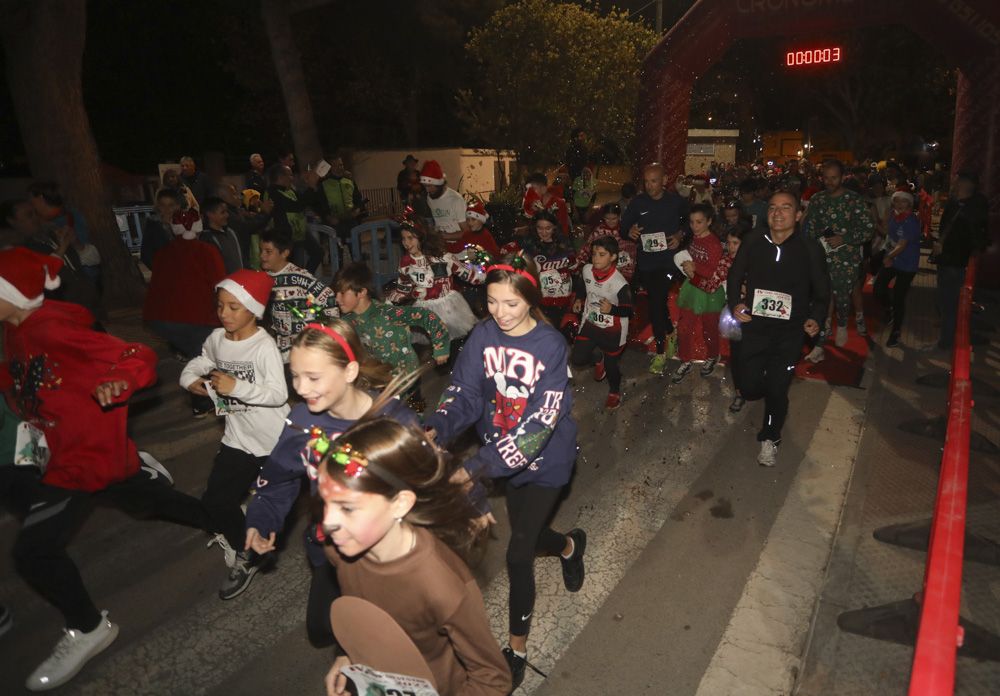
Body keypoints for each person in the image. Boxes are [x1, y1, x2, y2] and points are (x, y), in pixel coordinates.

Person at [0, 248, 208, 691]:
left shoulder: (52, 328)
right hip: (60, 448)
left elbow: (139, 355)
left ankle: (90, 628)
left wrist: (123, 380)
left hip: (81, 459)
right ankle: (210, 511)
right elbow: (20, 376)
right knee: (148, 502)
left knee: (33, 553)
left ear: (14, 295)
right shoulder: (12, 330)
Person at [425, 253, 586, 691]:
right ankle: (571, 546)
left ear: (531, 301)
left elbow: (539, 425)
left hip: (547, 460)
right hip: (501, 454)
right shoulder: (483, 335)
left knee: (518, 554)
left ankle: (516, 649)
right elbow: (464, 394)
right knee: (531, 538)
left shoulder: (550, 346)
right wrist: (435, 429)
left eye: (511, 304)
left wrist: (476, 469)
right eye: (492, 301)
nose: (499, 313)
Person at [244, 321, 418, 648]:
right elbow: (278, 476)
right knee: (322, 630)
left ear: (349, 371)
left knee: (374, 638)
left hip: (385, 551)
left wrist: (471, 505)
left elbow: (430, 474)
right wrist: (262, 518)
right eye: (295, 375)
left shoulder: (392, 418)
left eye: (313, 377)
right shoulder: (301, 422)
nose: (301, 388)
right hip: (331, 546)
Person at [318, 416, 511, 696]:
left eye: (347, 508)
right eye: (326, 503)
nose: (327, 522)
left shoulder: (442, 586)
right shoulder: (339, 550)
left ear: (400, 503)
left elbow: (492, 678)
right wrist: (349, 655)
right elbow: (369, 616)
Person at [180, 270, 289, 599]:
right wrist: (189, 380)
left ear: (254, 310)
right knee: (215, 501)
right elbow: (202, 360)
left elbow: (278, 394)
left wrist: (236, 387)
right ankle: (248, 553)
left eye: (233, 307)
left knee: (293, 504)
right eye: (220, 306)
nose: (224, 314)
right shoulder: (216, 339)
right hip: (238, 438)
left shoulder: (263, 346)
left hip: (274, 443)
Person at [727, 192, 830, 467]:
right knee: (748, 387)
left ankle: (770, 436)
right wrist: (736, 303)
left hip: (789, 332)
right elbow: (735, 274)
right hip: (754, 326)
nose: (778, 213)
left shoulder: (810, 248)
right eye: (772, 207)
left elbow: (822, 291)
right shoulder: (753, 240)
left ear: (798, 215)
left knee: (777, 386)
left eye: (786, 208)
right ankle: (767, 392)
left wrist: (816, 318)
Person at [142, 207, 225, 415]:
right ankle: (206, 403)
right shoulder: (207, 251)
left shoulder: (163, 253)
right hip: (198, 319)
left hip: (164, 320)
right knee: (208, 358)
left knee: (197, 355)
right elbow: (219, 284)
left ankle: (204, 401)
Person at [621, 162, 690, 375]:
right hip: (647, 262)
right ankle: (670, 331)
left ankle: (660, 352)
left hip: (668, 262)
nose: (650, 186)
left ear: (665, 180)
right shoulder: (638, 202)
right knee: (657, 301)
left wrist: (680, 235)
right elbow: (624, 227)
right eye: (647, 181)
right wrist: (629, 231)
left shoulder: (676, 202)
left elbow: (690, 225)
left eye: (654, 181)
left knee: (656, 303)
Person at [801, 159, 874, 359]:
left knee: (842, 297)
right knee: (821, 299)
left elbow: (868, 229)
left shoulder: (853, 200)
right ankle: (820, 342)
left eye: (834, 178)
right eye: (826, 178)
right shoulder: (817, 199)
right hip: (821, 256)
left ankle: (842, 324)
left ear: (842, 177)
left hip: (846, 258)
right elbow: (810, 227)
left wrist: (845, 238)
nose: (829, 182)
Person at [334, 261, 450, 375]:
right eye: (336, 293)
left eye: (342, 293)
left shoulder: (388, 313)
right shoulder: (346, 322)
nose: (337, 299)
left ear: (361, 293)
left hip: (405, 380)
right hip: (378, 380)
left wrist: (441, 347)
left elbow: (426, 316)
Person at [387, 215, 482, 342]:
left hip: (448, 308)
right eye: (403, 238)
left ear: (421, 238)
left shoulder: (442, 258)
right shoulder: (406, 262)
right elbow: (404, 287)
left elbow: (467, 273)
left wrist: (486, 274)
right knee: (432, 346)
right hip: (424, 310)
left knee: (455, 342)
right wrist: (389, 303)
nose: (406, 243)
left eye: (410, 238)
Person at [258, 229, 339, 363]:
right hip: (281, 349)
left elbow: (328, 297)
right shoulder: (263, 278)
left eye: (268, 251)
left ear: (284, 253)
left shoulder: (300, 277)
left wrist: (326, 334)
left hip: (305, 347)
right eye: (261, 251)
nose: (262, 256)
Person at [571, 236, 633, 410]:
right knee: (577, 358)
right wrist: (579, 299)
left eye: (602, 254)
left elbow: (629, 311)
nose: (595, 258)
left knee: (612, 367)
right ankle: (598, 358)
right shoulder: (587, 270)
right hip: (590, 323)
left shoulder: (620, 284)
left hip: (613, 330)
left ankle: (614, 392)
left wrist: (612, 309)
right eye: (594, 254)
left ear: (613, 257)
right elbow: (583, 285)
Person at [933, 171, 989, 349]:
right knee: (949, 304)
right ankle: (951, 337)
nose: (954, 183)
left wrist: (945, 246)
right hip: (950, 259)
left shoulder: (970, 208)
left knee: (950, 304)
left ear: (965, 184)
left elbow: (972, 237)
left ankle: (946, 342)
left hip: (955, 261)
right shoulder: (958, 203)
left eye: (957, 181)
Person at [672, 203, 727, 383]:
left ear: (709, 221)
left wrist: (694, 267)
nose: (694, 226)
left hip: (709, 291)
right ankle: (685, 360)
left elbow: (713, 271)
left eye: (699, 222)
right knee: (684, 327)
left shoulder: (714, 244)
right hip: (692, 287)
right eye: (692, 222)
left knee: (709, 328)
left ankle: (712, 356)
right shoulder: (694, 237)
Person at [517, 210, 579, 331]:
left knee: (559, 331)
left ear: (554, 228)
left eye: (548, 228)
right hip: (541, 299)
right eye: (540, 228)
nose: (544, 232)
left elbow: (574, 268)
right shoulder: (529, 245)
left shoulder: (564, 244)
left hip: (563, 298)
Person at [874, 191, 921, 348]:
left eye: (903, 202)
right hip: (893, 260)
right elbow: (887, 234)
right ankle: (889, 310)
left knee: (899, 297)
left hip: (907, 264)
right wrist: (876, 221)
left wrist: (888, 257)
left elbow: (902, 245)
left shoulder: (911, 222)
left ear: (910, 204)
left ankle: (896, 332)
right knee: (878, 289)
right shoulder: (894, 216)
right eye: (896, 201)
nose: (899, 205)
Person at [264, 163, 325, 274]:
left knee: (318, 253)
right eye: (290, 175)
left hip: (299, 232)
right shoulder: (272, 192)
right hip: (285, 236)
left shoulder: (289, 190)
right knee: (290, 266)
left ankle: (304, 277)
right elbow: (296, 206)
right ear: (281, 177)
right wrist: (310, 186)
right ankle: (298, 281)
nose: (292, 178)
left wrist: (312, 186)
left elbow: (304, 201)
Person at [578, 203, 637, 283]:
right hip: (603, 272)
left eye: (614, 218)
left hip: (623, 272)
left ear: (619, 216)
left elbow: (632, 254)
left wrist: (627, 274)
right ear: (603, 217)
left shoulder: (626, 230)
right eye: (607, 218)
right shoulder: (599, 231)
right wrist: (579, 262)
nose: (611, 222)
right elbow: (587, 248)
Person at [723, 224, 748, 412]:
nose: (731, 247)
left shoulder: (757, 262)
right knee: (737, 354)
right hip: (733, 313)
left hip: (756, 315)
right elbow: (711, 282)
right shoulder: (725, 262)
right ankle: (740, 392)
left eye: (736, 243)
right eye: (729, 243)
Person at [421, 160, 469, 252]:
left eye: (430, 186)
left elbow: (467, 232)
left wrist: (446, 236)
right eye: (425, 186)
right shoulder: (430, 198)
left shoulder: (456, 200)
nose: (427, 190)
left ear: (439, 184)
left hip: (459, 249)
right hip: (441, 247)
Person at [321, 156, 366, 242]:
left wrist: (357, 210)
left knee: (356, 249)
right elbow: (321, 204)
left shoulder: (349, 181)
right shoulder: (324, 184)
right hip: (335, 222)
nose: (340, 168)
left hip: (351, 220)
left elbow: (358, 199)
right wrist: (328, 217)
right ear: (331, 168)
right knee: (336, 252)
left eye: (341, 165)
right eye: (336, 165)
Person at [200, 196, 244, 274]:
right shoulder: (207, 239)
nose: (227, 215)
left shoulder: (231, 232)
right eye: (222, 212)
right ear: (210, 214)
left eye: (226, 212)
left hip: (238, 281)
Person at [140, 189, 181, 270]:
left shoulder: (183, 224)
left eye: (171, 205)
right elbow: (146, 254)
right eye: (163, 205)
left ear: (177, 206)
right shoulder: (153, 226)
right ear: (158, 206)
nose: (167, 209)